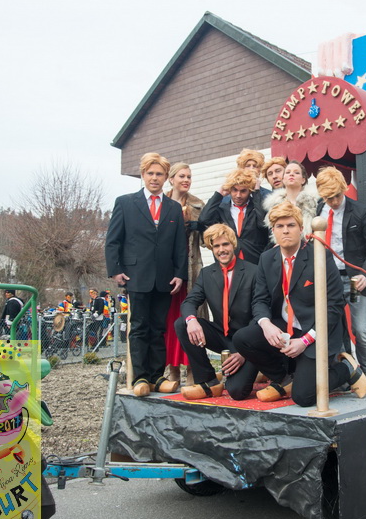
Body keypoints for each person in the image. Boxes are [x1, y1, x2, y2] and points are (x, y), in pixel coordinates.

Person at [232, 202, 366, 406]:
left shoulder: (319, 255)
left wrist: (305, 340)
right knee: (243, 338)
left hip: (314, 331)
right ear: (273, 230)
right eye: (279, 226)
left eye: (291, 225)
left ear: (301, 228)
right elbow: (260, 299)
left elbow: (335, 305)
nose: (285, 230)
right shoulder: (266, 258)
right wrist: (266, 324)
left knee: (303, 397)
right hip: (284, 328)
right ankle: (285, 378)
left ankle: (346, 369)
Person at [105, 152, 188, 397]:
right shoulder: (125, 203)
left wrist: (179, 274)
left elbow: (180, 245)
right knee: (140, 327)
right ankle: (141, 377)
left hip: (164, 278)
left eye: (159, 174)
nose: (154, 178)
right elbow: (113, 240)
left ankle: (156, 376)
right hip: (136, 275)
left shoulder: (174, 208)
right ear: (143, 175)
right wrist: (115, 270)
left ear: (166, 177)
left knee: (159, 328)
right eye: (150, 173)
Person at [316, 166, 366, 395]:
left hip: (356, 279)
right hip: (330, 280)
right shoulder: (318, 210)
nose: (334, 201)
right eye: (328, 198)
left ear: (344, 189)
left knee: (361, 329)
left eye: (337, 196)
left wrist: (365, 274)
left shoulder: (361, 211)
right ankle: (347, 375)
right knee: (335, 331)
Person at [174, 224, 259, 400]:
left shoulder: (253, 271)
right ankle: (208, 381)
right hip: (222, 335)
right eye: (216, 246)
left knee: (237, 392)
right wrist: (192, 320)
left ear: (233, 244)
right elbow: (189, 302)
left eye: (225, 244)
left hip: (247, 340)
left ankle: (258, 368)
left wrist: (245, 353)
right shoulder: (207, 274)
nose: (221, 250)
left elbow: (261, 315)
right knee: (182, 323)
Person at [163, 162, 206, 385]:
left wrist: (201, 226)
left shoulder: (198, 205)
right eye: (181, 176)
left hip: (191, 269)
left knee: (191, 318)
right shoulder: (161, 204)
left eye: (189, 176)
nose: (186, 180)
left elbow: (206, 241)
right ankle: (172, 369)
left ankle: (192, 369)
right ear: (171, 179)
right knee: (170, 322)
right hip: (167, 271)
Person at [199, 168, 269, 265]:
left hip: (254, 262)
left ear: (250, 191)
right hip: (229, 262)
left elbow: (262, 224)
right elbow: (204, 220)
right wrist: (219, 194)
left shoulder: (257, 207)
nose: (238, 195)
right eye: (235, 190)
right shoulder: (222, 208)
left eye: (243, 191)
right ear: (229, 189)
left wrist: (256, 192)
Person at [263, 161, 319, 243]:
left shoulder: (314, 203)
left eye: (296, 172)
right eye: (288, 172)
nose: (291, 174)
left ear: (303, 180)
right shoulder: (274, 205)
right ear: (283, 179)